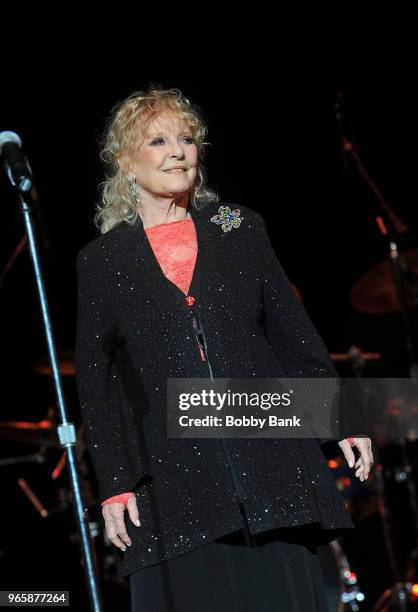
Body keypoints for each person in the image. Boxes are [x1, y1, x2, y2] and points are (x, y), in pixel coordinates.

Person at [75, 86, 374, 612]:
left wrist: (340, 416)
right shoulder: (105, 260)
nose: (177, 151)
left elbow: (292, 334)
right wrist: (115, 483)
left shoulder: (235, 225)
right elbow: (97, 383)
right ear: (126, 160)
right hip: (175, 489)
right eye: (158, 140)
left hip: (271, 468)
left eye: (187, 139)